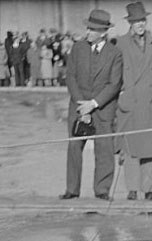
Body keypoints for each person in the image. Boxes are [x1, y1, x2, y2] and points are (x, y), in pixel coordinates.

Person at [60, 9, 122, 201]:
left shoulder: (115, 53)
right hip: (78, 107)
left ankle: (102, 191)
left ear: (103, 32)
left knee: (104, 149)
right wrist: (82, 106)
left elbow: (115, 84)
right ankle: (72, 190)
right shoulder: (78, 48)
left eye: (92, 30)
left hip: (103, 108)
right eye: (88, 28)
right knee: (74, 148)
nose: (88, 32)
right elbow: (70, 77)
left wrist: (94, 104)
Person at [115, 2, 152, 201]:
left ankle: (151, 189)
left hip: (149, 100)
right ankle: (133, 190)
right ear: (130, 23)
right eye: (136, 21)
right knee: (131, 149)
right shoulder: (120, 44)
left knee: (151, 147)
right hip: (130, 101)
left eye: (142, 20)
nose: (140, 24)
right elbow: (115, 74)